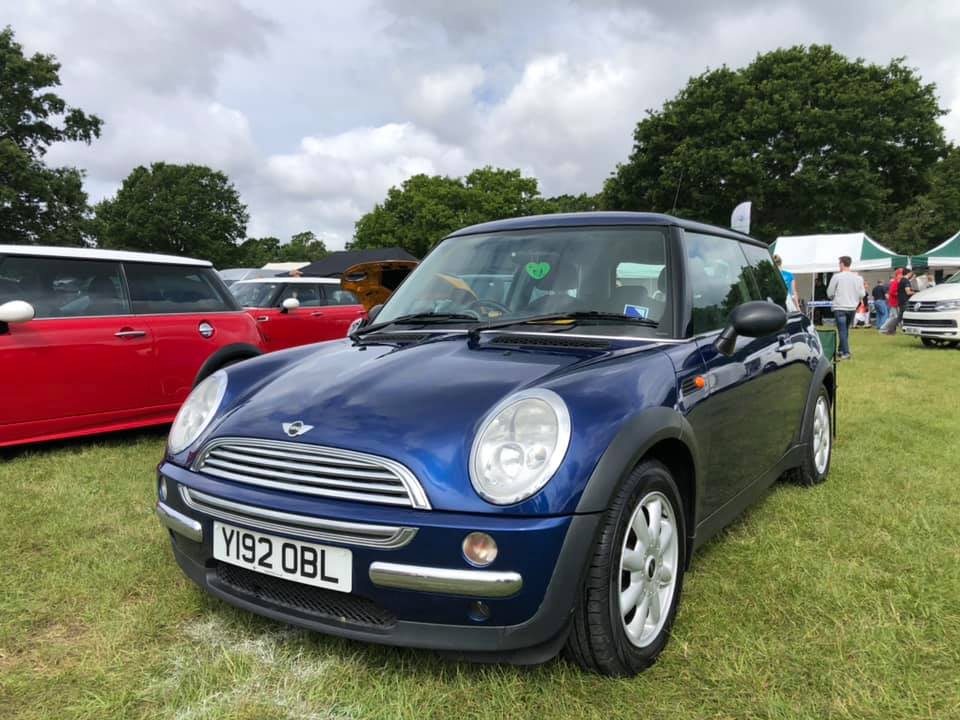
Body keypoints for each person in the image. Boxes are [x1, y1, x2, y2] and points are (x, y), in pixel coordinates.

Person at [827, 255, 863, 359]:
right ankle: (841, 350)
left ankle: (846, 352)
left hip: (839, 306)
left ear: (842, 264)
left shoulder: (837, 277)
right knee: (845, 330)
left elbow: (830, 292)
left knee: (842, 330)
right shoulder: (858, 278)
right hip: (852, 307)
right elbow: (862, 294)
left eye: (839, 263)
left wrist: (833, 297)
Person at [882, 270, 902, 335]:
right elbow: (892, 292)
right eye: (900, 274)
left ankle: (891, 330)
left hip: (895, 302)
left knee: (894, 317)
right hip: (894, 302)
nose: (902, 275)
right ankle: (883, 329)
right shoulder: (895, 282)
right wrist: (899, 294)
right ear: (897, 275)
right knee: (893, 317)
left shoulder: (897, 282)